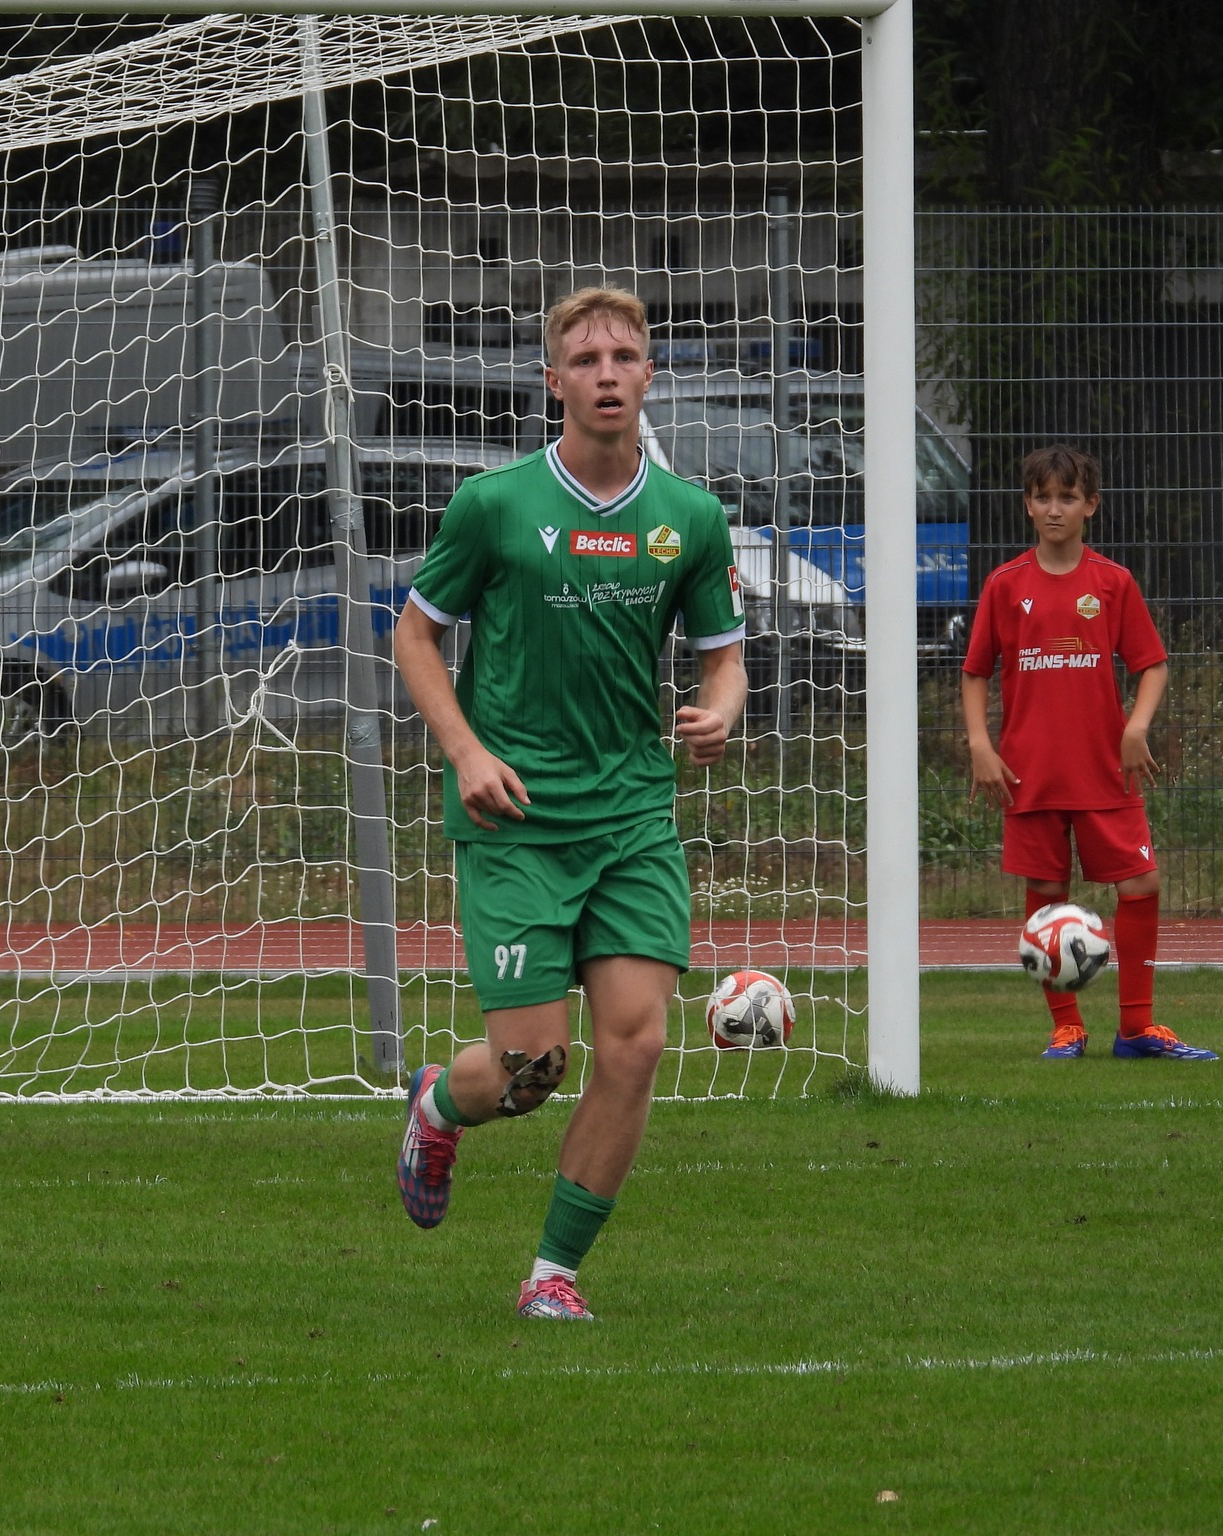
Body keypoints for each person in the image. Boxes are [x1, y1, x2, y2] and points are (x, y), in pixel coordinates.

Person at [390, 285, 747, 1321]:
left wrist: (719, 711)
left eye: (623, 357)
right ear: (553, 382)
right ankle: (437, 1103)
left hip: (632, 817)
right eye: (585, 360)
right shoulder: (493, 505)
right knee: (529, 1070)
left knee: (635, 1043)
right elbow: (413, 635)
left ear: (648, 376)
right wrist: (465, 752)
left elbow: (724, 658)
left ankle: (553, 1275)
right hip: (515, 820)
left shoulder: (689, 519)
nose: (606, 375)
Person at [961, 444, 1214, 1061]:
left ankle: (1137, 1028)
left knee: (1142, 881)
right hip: (1030, 772)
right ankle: (1067, 1029)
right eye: (1043, 497)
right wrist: (980, 745)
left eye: (1067, 497)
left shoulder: (1112, 582)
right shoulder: (1005, 585)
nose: (1055, 509)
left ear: (1090, 505)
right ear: (1027, 505)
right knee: (1046, 893)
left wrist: (1136, 728)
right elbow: (975, 672)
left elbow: (1152, 665)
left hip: (1105, 769)